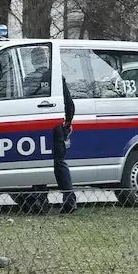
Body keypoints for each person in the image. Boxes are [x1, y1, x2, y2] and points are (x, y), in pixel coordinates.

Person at [53, 77, 77, 213]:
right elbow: (70, 106)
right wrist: (67, 123)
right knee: (58, 163)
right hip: (57, 127)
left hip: (52, 127)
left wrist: (67, 122)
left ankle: (38, 199)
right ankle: (69, 200)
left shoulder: (32, 77)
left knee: (58, 163)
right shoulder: (56, 77)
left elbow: (70, 105)